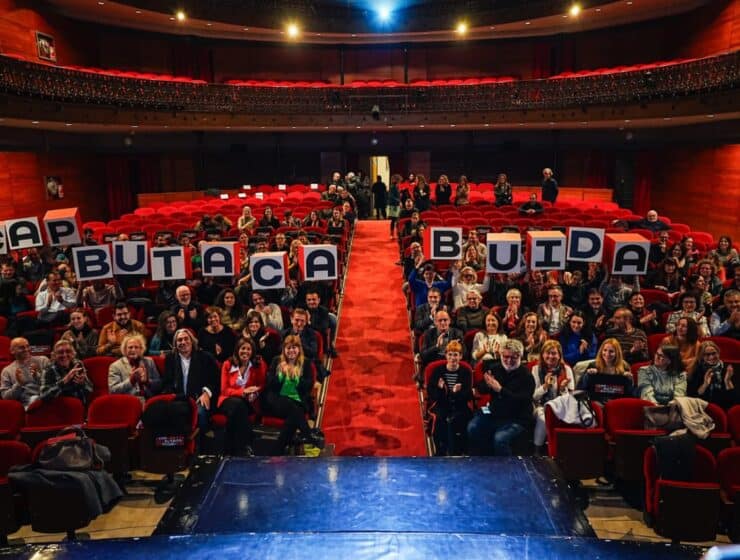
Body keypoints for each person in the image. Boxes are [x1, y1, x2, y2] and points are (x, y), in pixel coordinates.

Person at [467, 339, 535, 456]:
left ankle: (505, 469)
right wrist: (486, 383)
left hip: (517, 417)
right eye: (505, 357)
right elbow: (482, 389)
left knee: (500, 439)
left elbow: (520, 402)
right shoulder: (495, 368)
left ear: (520, 356)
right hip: (496, 413)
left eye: (513, 357)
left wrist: (500, 390)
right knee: (473, 427)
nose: (508, 361)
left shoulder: (527, 376)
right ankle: (481, 461)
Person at [263, 335, 323, 453]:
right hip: (277, 401)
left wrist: (295, 377)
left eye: (294, 347)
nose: (291, 351)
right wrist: (282, 375)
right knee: (295, 410)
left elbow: (308, 386)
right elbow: (270, 384)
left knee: (294, 414)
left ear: (299, 349)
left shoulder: (305, 363)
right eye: (288, 348)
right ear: (284, 349)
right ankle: (309, 435)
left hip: (297, 401)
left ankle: (277, 450)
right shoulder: (277, 361)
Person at [162, 328, 220, 437]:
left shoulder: (205, 357)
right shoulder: (170, 359)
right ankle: (181, 446)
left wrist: (207, 393)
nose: (183, 342)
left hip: (198, 397)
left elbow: (215, 380)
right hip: (178, 398)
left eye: (186, 339)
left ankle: (201, 443)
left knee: (199, 413)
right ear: (175, 344)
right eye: (179, 340)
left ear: (192, 341)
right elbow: (167, 382)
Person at [218, 337, 266, 456]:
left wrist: (255, 393)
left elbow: (262, 384)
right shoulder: (228, 364)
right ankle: (246, 445)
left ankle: (227, 450)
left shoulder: (257, 365)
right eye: (242, 348)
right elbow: (224, 390)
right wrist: (243, 392)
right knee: (238, 405)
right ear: (237, 350)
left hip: (248, 403)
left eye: (248, 349)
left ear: (252, 351)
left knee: (235, 414)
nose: (245, 352)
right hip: (227, 400)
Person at [426, 341, 473, 456]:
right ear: (446, 355)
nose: (453, 358)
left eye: (456, 355)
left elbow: (468, 395)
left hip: (460, 405)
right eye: (450, 354)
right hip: (442, 404)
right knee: (441, 420)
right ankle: (441, 451)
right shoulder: (438, 371)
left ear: (461, 356)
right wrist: (442, 390)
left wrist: (456, 393)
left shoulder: (465, 371)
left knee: (463, 420)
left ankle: (460, 451)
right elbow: (432, 394)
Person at [531, 340, 574, 450]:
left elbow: (571, 397)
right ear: (542, 354)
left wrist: (563, 389)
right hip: (540, 405)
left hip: (561, 406)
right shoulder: (536, 369)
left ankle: (560, 450)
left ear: (559, 355)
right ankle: (537, 449)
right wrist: (545, 386)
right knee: (543, 418)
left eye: (554, 353)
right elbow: (534, 397)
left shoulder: (566, 369)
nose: (551, 356)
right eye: (547, 353)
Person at [577, 338, 634, 404]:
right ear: (601, 351)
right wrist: (588, 375)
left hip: (617, 404)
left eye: (611, 351)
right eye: (605, 350)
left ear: (617, 353)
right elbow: (581, 387)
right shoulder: (593, 365)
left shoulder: (624, 367)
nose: (607, 354)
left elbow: (630, 393)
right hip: (596, 403)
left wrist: (630, 380)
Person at [40, 340, 93, 404]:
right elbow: (43, 396)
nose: (64, 355)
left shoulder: (78, 364)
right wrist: (64, 381)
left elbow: (90, 389)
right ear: (54, 355)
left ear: (73, 354)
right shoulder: (48, 370)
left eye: (68, 351)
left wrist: (83, 384)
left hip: (80, 406)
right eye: (60, 352)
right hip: (61, 409)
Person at [108, 334, 161, 398]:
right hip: (128, 401)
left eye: (136, 347)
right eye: (130, 347)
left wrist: (147, 382)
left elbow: (159, 385)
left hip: (149, 399)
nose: (133, 350)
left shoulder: (149, 361)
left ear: (141, 349)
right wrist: (131, 381)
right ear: (124, 349)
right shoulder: (115, 366)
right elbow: (113, 390)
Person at [688, 341, 738, 409]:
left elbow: (735, 399)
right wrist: (705, 385)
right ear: (702, 356)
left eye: (714, 353)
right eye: (707, 355)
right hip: (703, 408)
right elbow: (692, 397)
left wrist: (727, 381)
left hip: (725, 407)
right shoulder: (696, 370)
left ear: (718, 353)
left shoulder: (728, 369)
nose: (711, 357)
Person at [1, 337, 48, 408]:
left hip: (45, 401)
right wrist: (19, 384)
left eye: (27, 346)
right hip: (25, 406)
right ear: (12, 351)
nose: (26, 349)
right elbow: (5, 397)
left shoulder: (43, 361)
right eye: (22, 348)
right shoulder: (7, 371)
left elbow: (52, 385)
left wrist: (37, 376)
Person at [387, 174, 401, 238]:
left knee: (397, 220)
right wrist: (398, 201)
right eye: (399, 181)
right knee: (393, 220)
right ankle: (391, 234)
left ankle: (397, 233)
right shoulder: (392, 187)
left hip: (396, 205)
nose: (400, 183)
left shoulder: (397, 187)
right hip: (393, 205)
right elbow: (391, 196)